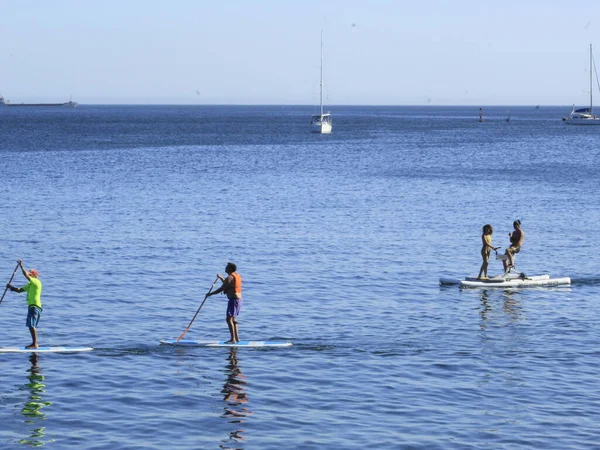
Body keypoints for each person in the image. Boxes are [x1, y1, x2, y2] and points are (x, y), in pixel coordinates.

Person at [6, 259, 43, 349]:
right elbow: (19, 290)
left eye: (30, 273)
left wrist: (21, 266)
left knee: (31, 325)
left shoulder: (36, 282)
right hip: (31, 306)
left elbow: (26, 275)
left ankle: (35, 344)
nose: (29, 274)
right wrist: (11, 287)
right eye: (29, 273)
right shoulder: (30, 284)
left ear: (34, 275)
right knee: (30, 325)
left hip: (35, 306)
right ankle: (34, 343)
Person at [207, 262, 242, 343]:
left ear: (230, 269)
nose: (225, 268)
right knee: (233, 319)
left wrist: (210, 294)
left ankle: (233, 339)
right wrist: (221, 278)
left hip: (233, 300)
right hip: (238, 300)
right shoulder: (235, 276)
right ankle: (236, 338)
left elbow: (221, 288)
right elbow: (227, 284)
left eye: (227, 267)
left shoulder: (230, 277)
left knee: (228, 319)